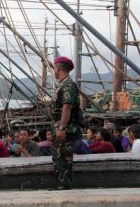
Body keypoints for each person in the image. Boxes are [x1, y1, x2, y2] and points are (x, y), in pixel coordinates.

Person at [50, 56, 82, 190]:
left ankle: (64, 188)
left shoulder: (68, 85)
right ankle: (61, 186)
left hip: (66, 128)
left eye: (54, 68)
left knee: (63, 159)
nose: (54, 71)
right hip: (61, 127)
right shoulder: (63, 84)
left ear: (58, 68)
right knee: (59, 159)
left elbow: (67, 106)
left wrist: (62, 127)